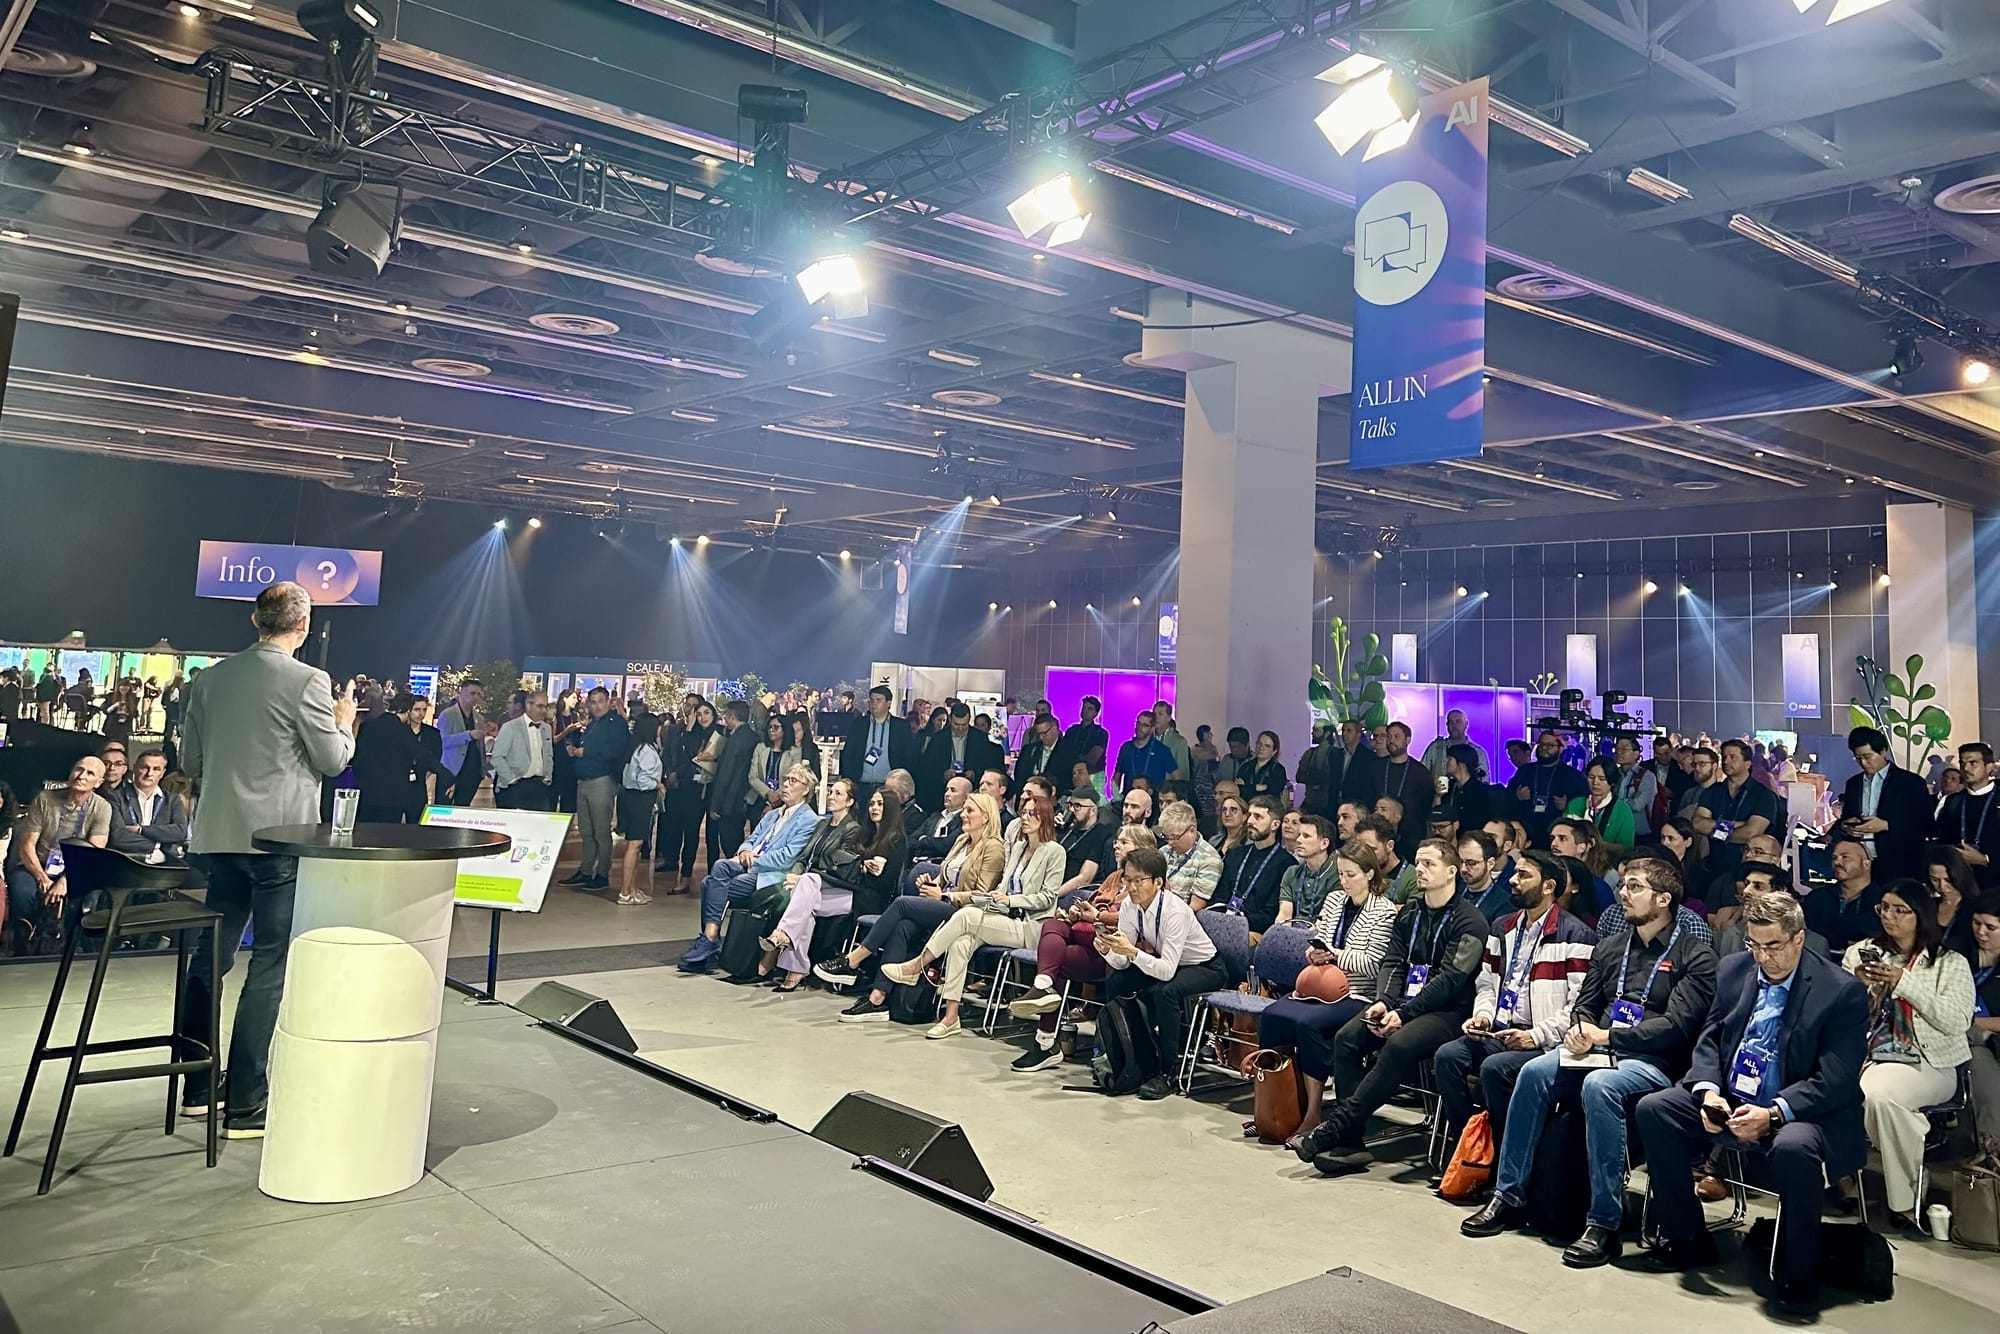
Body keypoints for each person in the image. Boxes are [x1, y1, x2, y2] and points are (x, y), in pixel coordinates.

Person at [1463, 857, 1717, 1268]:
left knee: (1601, 1086)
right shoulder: (1611, 946)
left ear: (1664, 899)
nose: (1623, 894)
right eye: (1623, 886)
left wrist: (1607, 1036)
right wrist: (1581, 1029)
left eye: (1635, 887)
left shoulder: (1696, 955)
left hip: (1652, 1061)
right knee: (1532, 1072)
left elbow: (1676, 1026)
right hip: (1596, 1049)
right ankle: (1508, 1195)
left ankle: (1603, 1223)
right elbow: (1586, 1003)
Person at [171, 582, 356, 1138]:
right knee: (269, 964)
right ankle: (246, 1102)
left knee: (210, 958)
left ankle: (197, 1087)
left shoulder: (211, 679)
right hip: (277, 842)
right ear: (303, 626)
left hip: (219, 838)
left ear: (255, 620)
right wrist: (344, 720)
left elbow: (190, 760)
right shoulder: (308, 680)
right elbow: (332, 760)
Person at [1633, 893, 1869, 1321]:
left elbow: (1835, 1079)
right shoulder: (1735, 969)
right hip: (1734, 1099)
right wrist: (1708, 1092)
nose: (1762, 957)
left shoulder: (1840, 991)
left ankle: (1798, 1278)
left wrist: (1773, 1113)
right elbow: (1710, 1038)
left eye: (1772, 946)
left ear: (1798, 939)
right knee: (1656, 1109)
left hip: (1801, 1110)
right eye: (1753, 945)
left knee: (1794, 1147)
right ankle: (1687, 1238)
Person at [1298, 838, 1488, 1175]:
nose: (1420, 870)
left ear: (1451, 872)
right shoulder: (1410, 913)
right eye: (1418, 862)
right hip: (1401, 1003)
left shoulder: (1470, 922)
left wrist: (1402, 1014)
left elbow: (1449, 981)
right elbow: (1393, 962)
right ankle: (1351, 1142)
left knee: (1399, 1044)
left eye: (1429, 864)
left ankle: (1336, 1128)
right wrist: (1383, 1001)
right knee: (1347, 1038)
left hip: (1448, 1012)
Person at [1432, 849, 1599, 1152]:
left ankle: (1504, 1154)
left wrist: (1534, 1036)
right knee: (1447, 1056)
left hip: (1546, 1042)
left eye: (1523, 875)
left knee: (1495, 1069)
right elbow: (1486, 984)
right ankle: (1469, 1148)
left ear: (1548, 886)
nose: (1512, 880)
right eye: (1515, 873)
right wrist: (1483, 1016)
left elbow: (1578, 1006)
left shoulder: (1576, 935)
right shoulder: (1502, 927)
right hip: (1500, 1030)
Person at [1841, 878, 1975, 1240]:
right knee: (1846, 1088)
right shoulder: (1861, 952)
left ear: (1921, 915)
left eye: (1900, 910)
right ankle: (1899, 1187)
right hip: (1868, 1054)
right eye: (1884, 907)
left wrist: (1905, 982)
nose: (1889, 916)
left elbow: (1956, 1021)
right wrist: (1855, 986)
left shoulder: (1949, 964)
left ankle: (1902, 1198)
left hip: (1930, 1061)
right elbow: (1835, 1012)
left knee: (1880, 1095)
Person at [880, 787, 1064, 1039]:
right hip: (1002, 915)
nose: (1025, 817)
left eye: (1032, 813)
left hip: (1029, 926)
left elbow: (1047, 898)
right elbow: (1002, 887)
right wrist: (992, 898)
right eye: (1023, 812)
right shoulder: (1018, 848)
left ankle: (917, 965)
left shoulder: (1054, 851)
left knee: (966, 915)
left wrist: (1011, 900)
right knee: (961, 943)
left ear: (1045, 817)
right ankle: (951, 1017)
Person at [1253, 837, 1399, 1141]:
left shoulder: (1384, 911)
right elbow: (1317, 939)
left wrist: (1335, 955)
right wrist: (1315, 953)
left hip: (1357, 993)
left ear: (1369, 873)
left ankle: (1312, 1113)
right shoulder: (1334, 900)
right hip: (1320, 984)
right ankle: (1274, 1104)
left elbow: (1374, 964)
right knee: (1273, 1015)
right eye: (1341, 874)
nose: (1344, 881)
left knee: (1309, 1025)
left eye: (1351, 874)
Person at [817, 792, 1005, 1021]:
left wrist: (944, 896)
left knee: (902, 904)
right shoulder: (962, 841)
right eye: (964, 810)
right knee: (903, 927)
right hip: (942, 903)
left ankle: (853, 960)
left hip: (964, 913)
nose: (963, 815)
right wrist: (931, 883)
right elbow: (944, 876)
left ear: (986, 817)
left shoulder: (994, 848)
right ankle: (877, 999)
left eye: (969, 811)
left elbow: (982, 894)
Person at [1009, 823, 1156, 1069]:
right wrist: (1077, 912)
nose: (1116, 846)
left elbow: (1137, 919)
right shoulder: (1114, 877)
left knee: (1055, 956)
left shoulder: (1151, 882)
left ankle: (1045, 1040)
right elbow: (1093, 903)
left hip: (1114, 952)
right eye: (1117, 841)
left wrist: (1096, 916)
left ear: (1143, 848)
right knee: (1053, 928)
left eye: (1124, 842)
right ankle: (1043, 995)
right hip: (1087, 941)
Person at [1095, 844, 1226, 1098]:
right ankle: (1128, 1057)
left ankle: (1169, 1072)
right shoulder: (1129, 906)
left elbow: (1166, 971)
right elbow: (1122, 962)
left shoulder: (1174, 911)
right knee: (1118, 981)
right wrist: (1108, 950)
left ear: (1158, 882)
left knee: (1165, 992)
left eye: (1138, 881)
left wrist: (1132, 952)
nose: (1131, 887)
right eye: (1127, 880)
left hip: (1206, 967)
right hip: (1167, 963)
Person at [679, 763, 821, 972]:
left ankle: (709, 939)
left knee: (710, 883)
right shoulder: (772, 814)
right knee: (720, 868)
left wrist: (753, 860)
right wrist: (744, 852)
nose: (786, 785)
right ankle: (710, 939)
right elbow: (751, 839)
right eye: (786, 780)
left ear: (806, 789)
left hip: (771, 875)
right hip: (748, 864)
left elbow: (787, 857)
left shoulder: (809, 820)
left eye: (793, 781)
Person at [744, 775, 865, 988]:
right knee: (805, 907)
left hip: (839, 891)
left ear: (850, 801)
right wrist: (795, 875)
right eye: (830, 792)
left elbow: (838, 865)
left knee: (807, 884)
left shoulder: (852, 829)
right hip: (812, 889)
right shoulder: (822, 824)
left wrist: (802, 878)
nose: (831, 796)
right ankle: (797, 969)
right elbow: (802, 857)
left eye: (838, 793)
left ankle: (782, 935)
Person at [4, 755, 112, 946]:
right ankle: (24, 944)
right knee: (22, 891)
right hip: (37, 865)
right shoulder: (45, 799)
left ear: (98, 782)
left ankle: (72, 946)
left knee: (88, 894)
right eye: (79, 769)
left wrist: (65, 880)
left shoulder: (102, 807)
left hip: (78, 868)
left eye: (90, 773)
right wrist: (41, 877)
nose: (81, 776)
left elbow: (93, 852)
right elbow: (27, 845)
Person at [1839, 725, 1931, 882]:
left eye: (1868, 756)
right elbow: (1846, 817)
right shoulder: (1854, 783)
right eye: (1858, 758)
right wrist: (1846, 826)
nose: (1863, 763)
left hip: (1899, 862)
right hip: (1860, 863)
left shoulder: (1910, 783)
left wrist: (1887, 825)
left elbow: (1926, 826)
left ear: (1883, 751)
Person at [560, 687, 628, 891]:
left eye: (600, 701)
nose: (597, 706)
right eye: (593, 702)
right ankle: (586, 870)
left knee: (601, 830)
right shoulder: (593, 724)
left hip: (601, 780)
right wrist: (575, 750)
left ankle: (602, 873)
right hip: (584, 780)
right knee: (586, 831)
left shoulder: (615, 723)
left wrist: (586, 751)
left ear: (608, 702)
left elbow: (617, 749)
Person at [1207, 795, 1294, 933]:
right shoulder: (1235, 854)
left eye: (1257, 817)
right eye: (1250, 815)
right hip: (1223, 922)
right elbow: (1219, 896)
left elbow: (1270, 913)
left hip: (1255, 930)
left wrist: (1238, 923)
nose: (1250, 821)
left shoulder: (1287, 864)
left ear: (1275, 825)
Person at [657, 698, 715, 890]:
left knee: (712, 837)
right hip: (691, 788)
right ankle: (685, 875)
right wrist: (690, 728)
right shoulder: (689, 733)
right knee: (689, 832)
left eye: (706, 713)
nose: (702, 717)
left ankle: (714, 878)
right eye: (698, 714)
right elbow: (686, 756)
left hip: (712, 788)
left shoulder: (720, 733)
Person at [353, 692, 428, 824]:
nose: (420, 714)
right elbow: (423, 756)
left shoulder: (367, 726)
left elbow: (357, 759)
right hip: (393, 798)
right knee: (388, 833)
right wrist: (447, 775)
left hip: (367, 793)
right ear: (407, 711)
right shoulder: (402, 730)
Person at [105, 748, 189, 865]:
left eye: (156, 769)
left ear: (162, 773)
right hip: (127, 862)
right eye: (144, 767)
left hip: (165, 865)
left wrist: (140, 830)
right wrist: (160, 845)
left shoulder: (172, 800)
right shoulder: (115, 797)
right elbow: (118, 836)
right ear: (134, 768)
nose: (149, 773)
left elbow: (180, 832)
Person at [1804, 836, 1886, 954]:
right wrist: (1844, 942)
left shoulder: (1884, 901)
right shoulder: (1816, 898)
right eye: (1834, 858)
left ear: (1866, 864)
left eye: (1845, 857)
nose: (1837, 862)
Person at [615, 713, 665, 906]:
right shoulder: (646, 751)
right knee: (634, 846)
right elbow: (643, 780)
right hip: (640, 799)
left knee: (635, 846)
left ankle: (632, 888)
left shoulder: (635, 747)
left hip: (630, 797)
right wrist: (657, 785)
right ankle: (625, 892)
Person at [916, 702, 1002, 813]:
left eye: (964, 725)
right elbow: (928, 767)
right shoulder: (938, 738)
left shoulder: (980, 738)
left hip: (971, 792)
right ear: (950, 719)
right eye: (956, 724)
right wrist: (943, 774)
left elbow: (986, 764)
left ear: (969, 719)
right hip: (943, 793)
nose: (960, 728)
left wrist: (975, 773)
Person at [1937, 741, 2000, 889]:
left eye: (1973, 763)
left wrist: (1986, 859)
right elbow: (1943, 839)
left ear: (1989, 767)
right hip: (1960, 883)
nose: (1965, 768)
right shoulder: (1953, 801)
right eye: (1962, 763)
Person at [842, 684, 919, 803]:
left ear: (888, 703)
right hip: (860, 785)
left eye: (878, 700)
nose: (874, 704)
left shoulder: (901, 727)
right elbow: (848, 753)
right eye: (872, 700)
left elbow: (908, 756)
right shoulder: (858, 724)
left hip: (889, 787)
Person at [1513, 729, 1586, 848]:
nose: (1544, 748)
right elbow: (1507, 795)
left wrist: (1567, 806)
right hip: (1527, 829)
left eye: (1550, 745)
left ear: (1560, 749)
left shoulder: (1572, 775)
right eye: (1541, 744)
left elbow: (1583, 803)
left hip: (1557, 832)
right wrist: (1517, 795)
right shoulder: (1525, 771)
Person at [1967, 892, 2000, 1156]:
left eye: (1990, 927)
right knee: (1978, 1057)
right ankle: (1991, 1145)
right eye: (1977, 923)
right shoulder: (1960, 956)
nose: (1981, 932)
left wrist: (1977, 1025)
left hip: (1982, 1033)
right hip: (1971, 1042)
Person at [707, 698, 759, 863]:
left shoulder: (735, 739)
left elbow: (726, 772)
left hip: (730, 799)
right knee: (737, 837)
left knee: (729, 842)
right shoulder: (753, 736)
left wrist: (715, 804)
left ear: (732, 716)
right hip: (743, 797)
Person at [492, 690, 555, 811]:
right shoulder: (510, 727)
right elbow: (497, 757)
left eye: (546, 706)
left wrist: (548, 777)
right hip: (516, 785)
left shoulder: (546, 728)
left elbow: (548, 756)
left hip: (539, 785)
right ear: (528, 705)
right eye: (540, 706)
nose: (543, 710)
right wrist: (510, 780)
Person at [1376, 723, 1434, 851]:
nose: (1391, 740)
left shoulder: (1421, 773)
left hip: (1410, 837)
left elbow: (1425, 807)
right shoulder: (1375, 767)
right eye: (1389, 736)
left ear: (1408, 740)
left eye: (1396, 736)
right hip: (1377, 833)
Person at [907, 773, 971, 883]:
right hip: (918, 862)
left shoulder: (964, 820)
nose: (947, 794)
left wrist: (924, 840)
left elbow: (946, 845)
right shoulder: (935, 816)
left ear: (966, 797)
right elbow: (911, 840)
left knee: (919, 870)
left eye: (953, 790)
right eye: (946, 790)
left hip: (941, 868)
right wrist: (929, 845)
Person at [1159, 800, 1223, 906]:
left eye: (1175, 837)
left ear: (1192, 831)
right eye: (1166, 837)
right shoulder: (1163, 852)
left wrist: (1169, 899)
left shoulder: (1210, 859)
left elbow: (1196, 906)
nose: (1170, 843)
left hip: (1180, 913)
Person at [435, 677, 487, 807]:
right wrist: (468, 735)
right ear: (462, 692)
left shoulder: (479, 718)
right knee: (443, 808)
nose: (476, 697)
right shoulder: (447, 715)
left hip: (472, 770)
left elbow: (481, 746)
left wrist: (482, 769)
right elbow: (442, 742)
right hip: (451, 770)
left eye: (478, 694)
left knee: (463, 807)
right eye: (472, 693)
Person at [1566, 757, 1635, 851]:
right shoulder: (1575, 804)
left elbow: (1627, 848)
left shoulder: (1622, 809)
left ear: (1612, 781)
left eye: (1602, 779)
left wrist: (1597, 845)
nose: (1595, 783)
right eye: (1591, 777)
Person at [1927, 843, 1980, 960]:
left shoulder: (1976, 908)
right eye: (1935, 879)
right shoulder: (1928, 905)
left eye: (1948, 880)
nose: (1942, 886)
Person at [1054, 786, 1109, 896]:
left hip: (1070, 893)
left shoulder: (1100, 833)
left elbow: (1085, 878)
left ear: (1092, 811)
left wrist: (1053, 895)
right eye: (1070, 805)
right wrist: (1051, 829)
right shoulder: (1066, 828)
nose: (1071, 810)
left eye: (1077, 806)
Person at [1324, 718, 1382, 816]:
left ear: (1358, 734)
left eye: (1349, 731)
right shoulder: (1336, 755)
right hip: (1334, 806)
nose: (1344, 734)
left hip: (1357, 807)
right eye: (1343, 730)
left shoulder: (1368, 757)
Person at [1112, 709, 1176, 797]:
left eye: (1145, 725)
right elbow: (1117, 776)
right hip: (1129, 798)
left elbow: (1176, 777)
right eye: (1138, 723)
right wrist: (1116, 798)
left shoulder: (1161, 749)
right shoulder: (1126, 747)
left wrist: (1167, 799)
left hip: (1153, 800)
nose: (1139, 728)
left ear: (1152, 728)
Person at [1048, 694, 1108, 787]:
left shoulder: (1100, 733)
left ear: (1096, 713)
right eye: (1084, 707)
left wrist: (1073, 758)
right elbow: (1062, 752)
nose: (1085, 711)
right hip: (1068, 776)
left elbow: (1093, 758)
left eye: (1090, 709)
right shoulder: (1072, 730)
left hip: (1091, 778)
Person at [746, 714, 798, 817]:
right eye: (769, 727)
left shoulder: (794, 752)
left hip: (783, 799)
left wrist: (772, 802)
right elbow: (753, 777)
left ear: (785, 730)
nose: (771, 730)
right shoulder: (761, 748)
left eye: (776, 727)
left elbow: (793, 780)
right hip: (760, 796)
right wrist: (768, 793)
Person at [1458, 829, 1512, 924]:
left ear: (1490, 863)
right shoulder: (1453, 890)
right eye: (1461, 861)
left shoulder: (1504, 905)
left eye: (1471, 863)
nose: (1463, 869)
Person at [1420, 710, 1490, 781]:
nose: (1454, 725)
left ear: (1466, 724)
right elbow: (1421, 774)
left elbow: (1484, 781)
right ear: (1447, 725)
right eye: (1451, 722)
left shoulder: (1478, 752)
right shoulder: (1435, 748)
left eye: (1458, 721)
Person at [1013, 712, 1063, 795]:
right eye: (1039, 734)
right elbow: (1019, 776)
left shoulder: (1068, 751)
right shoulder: (1028, 750)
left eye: (1045, 733)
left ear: (1055, 729)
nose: (1041, 737)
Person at [1240, 730, 1288, 804]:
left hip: (1268, 808)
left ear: (1274, 751)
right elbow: (1239, 789)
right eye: (1259, 744)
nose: (1261, 748)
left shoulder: (1278, 770)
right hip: (1246, 806)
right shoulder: (1245, 766)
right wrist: (1258, 788)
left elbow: (1272, 794)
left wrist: (1248, 786)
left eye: (1267, 746)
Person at [1152, 703, 1191, 783]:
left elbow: (1183, 771)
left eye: (1160, 714)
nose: (1156, 717)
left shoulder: (1179, 741)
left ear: (1169, 717)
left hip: (1169, 786)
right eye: (1154, 714)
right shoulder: (1149, 739)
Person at [1209, 790, 1249, 855]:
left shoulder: (1250, 843)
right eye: (1224, 809)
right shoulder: (1214, 841)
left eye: (1233, 810)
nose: (1227, 814)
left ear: (1244, 817)